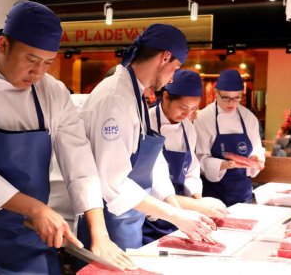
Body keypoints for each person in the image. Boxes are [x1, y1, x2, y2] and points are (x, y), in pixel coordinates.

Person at [0, 2, 134, 274]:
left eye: (48, 63)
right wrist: (37, 209)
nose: (39, 73)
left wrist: (99, 235)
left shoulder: (54, 92)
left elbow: (80, 165)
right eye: (31, 59)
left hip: (33, 238)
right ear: (3, 44)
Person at [79, 24, 215, 251]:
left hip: (130, 219)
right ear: (165, 57)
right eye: (175, 68)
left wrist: (177, 209)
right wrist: (174, 215)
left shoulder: (136, 95)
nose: (172, 78)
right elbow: (113, 183)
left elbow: (153, 162)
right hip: (106, 223)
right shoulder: (116, 98)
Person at [142, 69, 227, 244]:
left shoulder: (188, 127)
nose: (187, 115)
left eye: (193, 109)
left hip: (180, 213)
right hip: (149, 215)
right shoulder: (145, 122)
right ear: (165, 97)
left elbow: (191, 169)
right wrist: (181, 210)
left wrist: (198, 199)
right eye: (183, 108)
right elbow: (153, 177)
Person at [194, 69, 265, 207]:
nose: (231, 103)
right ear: (216, 92)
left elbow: (257, 148)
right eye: (226, 97)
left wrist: (256, 158)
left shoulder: (249, 118)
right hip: (213, 194)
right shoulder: (203, 118)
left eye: (237, 98)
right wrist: (226, 165)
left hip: (243, 192)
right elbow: (199, 158)